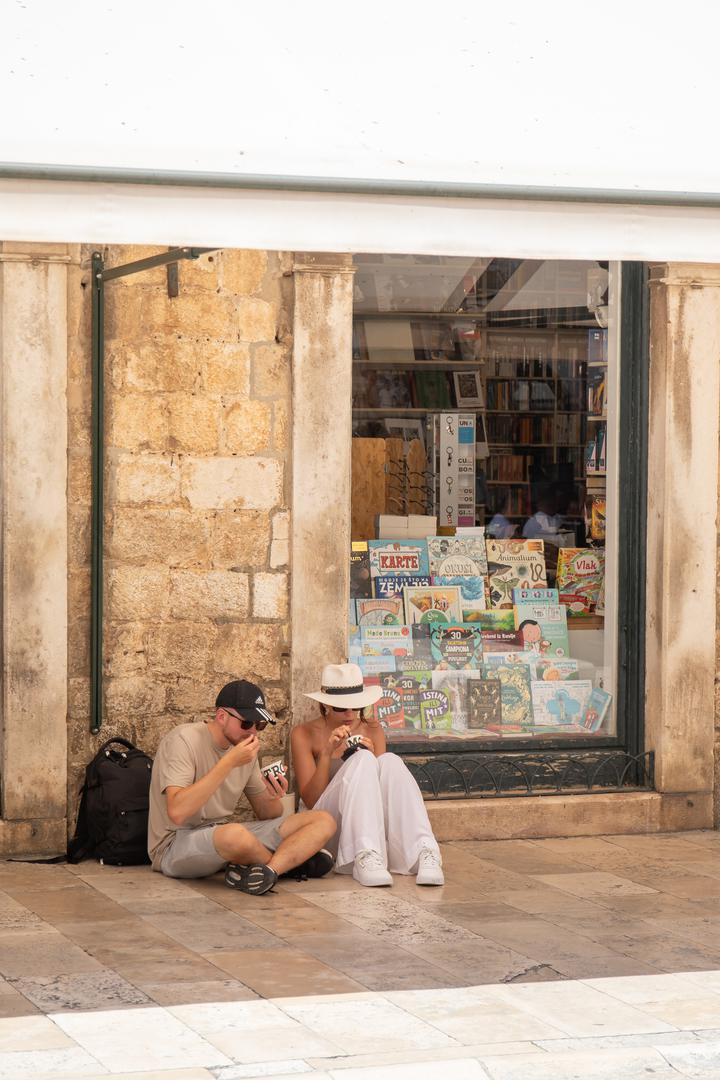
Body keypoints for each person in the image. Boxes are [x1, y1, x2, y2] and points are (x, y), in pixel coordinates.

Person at [148, 679, 336, 895]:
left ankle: (269, 870)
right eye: (247, 724)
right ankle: (291, 866)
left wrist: (275, 794)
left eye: (260, 725)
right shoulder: (184, 740)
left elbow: (267, 813)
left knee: (323, 820)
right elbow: (177, 813)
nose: (253, 732)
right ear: (221, 717)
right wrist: (228, 763)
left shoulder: (243, 748)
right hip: (174, 843)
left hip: (220, 835)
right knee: (234, 835)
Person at [291, 663, 444, 888]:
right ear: (325, 704)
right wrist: (326, 753)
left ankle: (424, 849)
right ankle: (363, 854)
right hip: (325, 824)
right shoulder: (304, 734)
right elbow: (311, 800)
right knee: (362, 761)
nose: (350, 715)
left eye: (356, 707)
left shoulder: (372, 728)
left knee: (389, 761)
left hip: (368, 823)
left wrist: (372, 761)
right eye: (341, 708)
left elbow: (383, 795)